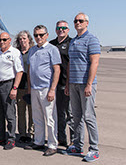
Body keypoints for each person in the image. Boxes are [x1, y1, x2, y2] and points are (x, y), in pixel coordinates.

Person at [63, 13, 101, 163]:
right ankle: (78, 145)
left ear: (87, 23)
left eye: (81, 21)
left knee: (89, 116)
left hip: (86, 84)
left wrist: (89, 84)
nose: (78, 23)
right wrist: (67, 84)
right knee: (76, 116)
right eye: (76, 21)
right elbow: (70, 64)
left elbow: (94, 63)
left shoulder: (91, 39)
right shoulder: (74, 41)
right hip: (73, 83)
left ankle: (94, 149)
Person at [24, 25, 61, 157]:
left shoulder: (52, 49)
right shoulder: (32, 50)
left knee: (50, 118)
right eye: (36, 35)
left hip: (46, 89)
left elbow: (57, 70)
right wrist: (29, 88)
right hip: (34, 88)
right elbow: (29, 70)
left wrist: (52, 89)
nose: (38, 37)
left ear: (46, 35)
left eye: (41, 35)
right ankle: (38, 141)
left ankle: (52, 144)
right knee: (37, 117)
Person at [0, 32, 23, 150]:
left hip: (8, 84)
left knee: (10, 113)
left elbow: (19, 71)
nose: (2, 42)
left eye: (4, 40)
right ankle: (0, 137)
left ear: (9, 40)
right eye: (0, 40)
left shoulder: (14, 53)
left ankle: (11, 138)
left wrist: (15, 88)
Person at [49, 20, 74, 147]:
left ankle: (74, 140)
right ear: (55, 29)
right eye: (59, 27)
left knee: (70, 114)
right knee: (59, 114)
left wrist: (69, 84)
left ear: (68, 30)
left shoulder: (72, 43)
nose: (61, 30)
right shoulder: (51, 44)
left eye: (64, 28)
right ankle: (61, 139)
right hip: (55, 84)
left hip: (67, 83)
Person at [14, 30, 34, 143]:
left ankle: (31, 133)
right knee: (21, 112)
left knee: (32, 111)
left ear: (29, 40)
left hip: (31, 86)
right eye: (20, 39)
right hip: (20, 86)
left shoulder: (32, 51)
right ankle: (22, 133)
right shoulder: (17, 53)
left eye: (24, 38)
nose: (22, 41)